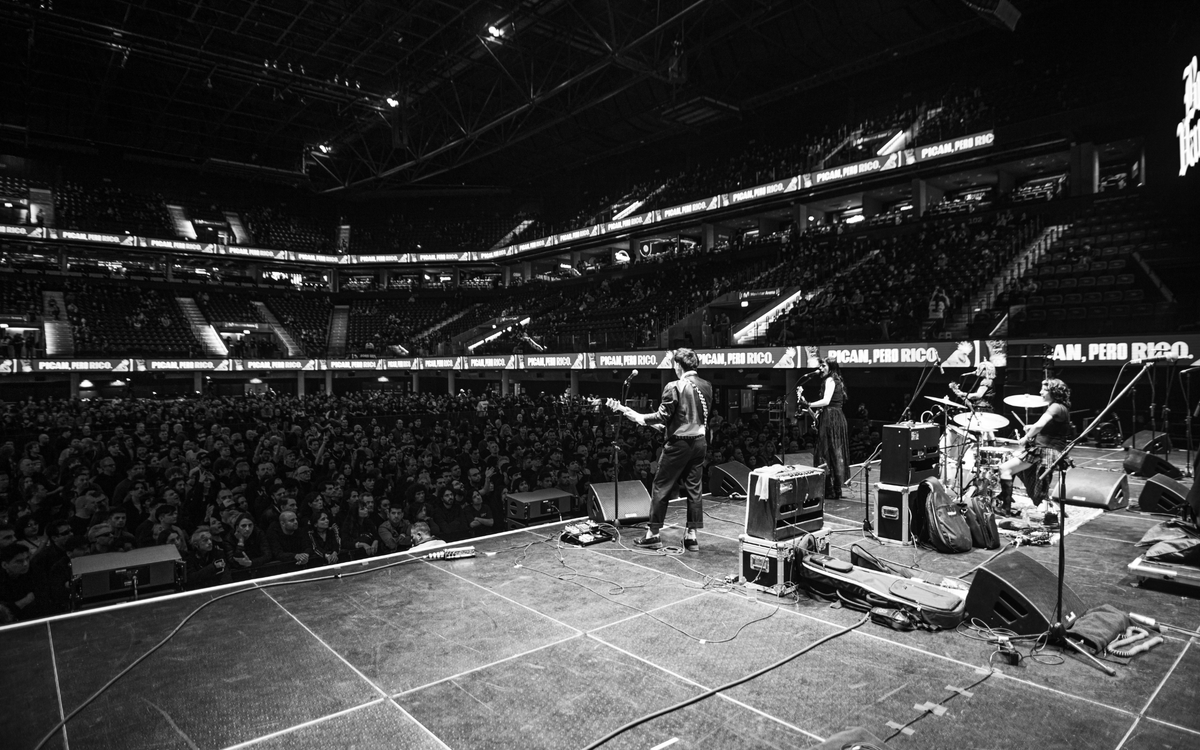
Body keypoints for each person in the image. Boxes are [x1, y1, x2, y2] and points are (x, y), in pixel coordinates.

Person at [616, 348, 711, 551]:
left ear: (678, 366)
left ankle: (653, 534)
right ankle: (692, 537)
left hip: (678, 445)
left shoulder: (674, 386)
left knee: (661, 486)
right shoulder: (707, 386)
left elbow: (663, 415)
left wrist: (641, 418)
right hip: (700, 443)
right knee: (695, 489)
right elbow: (688, 419)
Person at [997, 378, 1074, 521]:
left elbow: (1039, 425)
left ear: (1053, 392)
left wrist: (1026, 437)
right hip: (1050, 450)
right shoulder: (1061, 407)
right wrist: (1031, 427)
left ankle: (1005, 508)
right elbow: (1048, 427)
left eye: (1044, 389)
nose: (1040, 392)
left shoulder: (1055, 407)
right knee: (1014, 469)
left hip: (1044, 451)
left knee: (1005, 468)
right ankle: (1008, 500)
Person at [798, 357, 850, 499]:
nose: (820, 368)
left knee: (826, 454)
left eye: (823, 365)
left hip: (831, 418)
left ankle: (830, 490)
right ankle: (835, 489)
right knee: (834, 453)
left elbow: (826, 401)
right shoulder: (836, 379)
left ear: (831, 367)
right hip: (835, 417)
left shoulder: (830, 380)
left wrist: (808, 403)